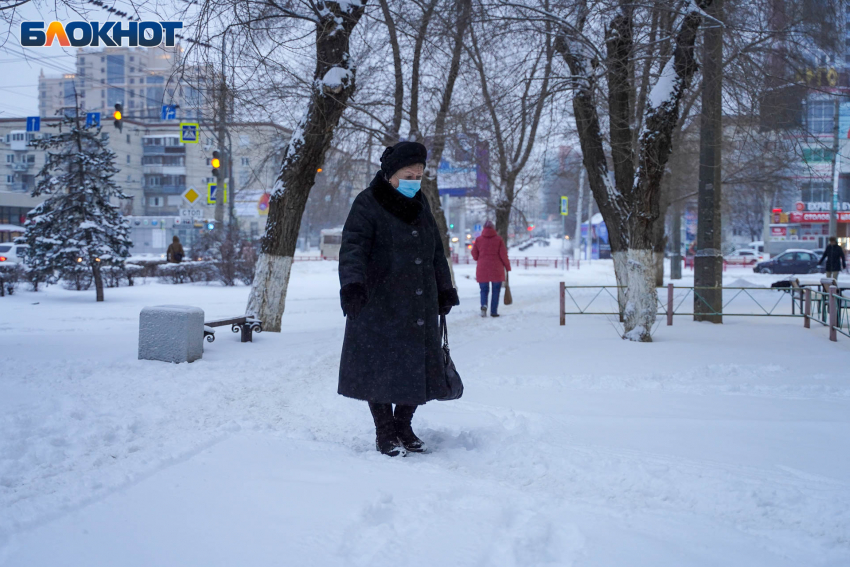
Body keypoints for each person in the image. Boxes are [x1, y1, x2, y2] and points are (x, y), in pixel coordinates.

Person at [338, 141, 460, 457]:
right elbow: (353, 248)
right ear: (391, 174)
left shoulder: (421, 205)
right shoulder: (367, 203)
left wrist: (444, 289)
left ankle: (403, 425)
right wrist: (352, 286)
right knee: (378, 369)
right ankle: (385, 432)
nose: (414, 181)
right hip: (379, 303)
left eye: (419, 175)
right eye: (409, 174)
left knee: (417, 366)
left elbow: (435, 251)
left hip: (418, 304)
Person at [471, 220, 510, 317]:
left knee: (484, 290)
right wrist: (507, 267)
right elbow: (503, 255)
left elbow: (474, 254)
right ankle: (493, 311)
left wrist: (479, 258)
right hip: (496, 269)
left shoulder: (479, 240)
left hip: (482, 268)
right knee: (496, 290)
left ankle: (484, 305)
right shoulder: (498, 239)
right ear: (493, 228)